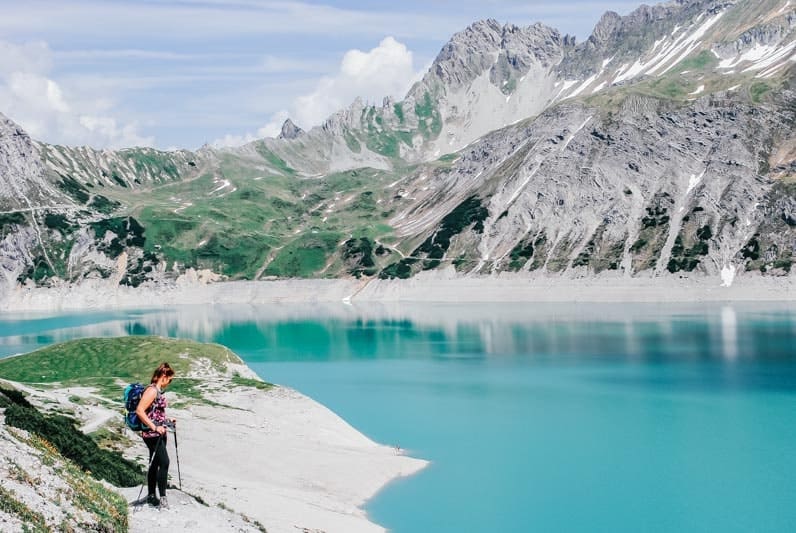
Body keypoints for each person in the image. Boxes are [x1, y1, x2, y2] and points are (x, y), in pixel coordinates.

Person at [136, 362, 176, 509]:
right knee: (164, 462)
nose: (169, 383)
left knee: (154, 463)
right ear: (163, 376)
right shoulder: (152, 391)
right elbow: (140, 411)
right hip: (152, 434)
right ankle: (162, 498)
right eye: (169, 379)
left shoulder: (157, 390)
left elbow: (155, 413)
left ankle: (152, 495)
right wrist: (154, 427)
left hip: (157, 432)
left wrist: (167, 420)